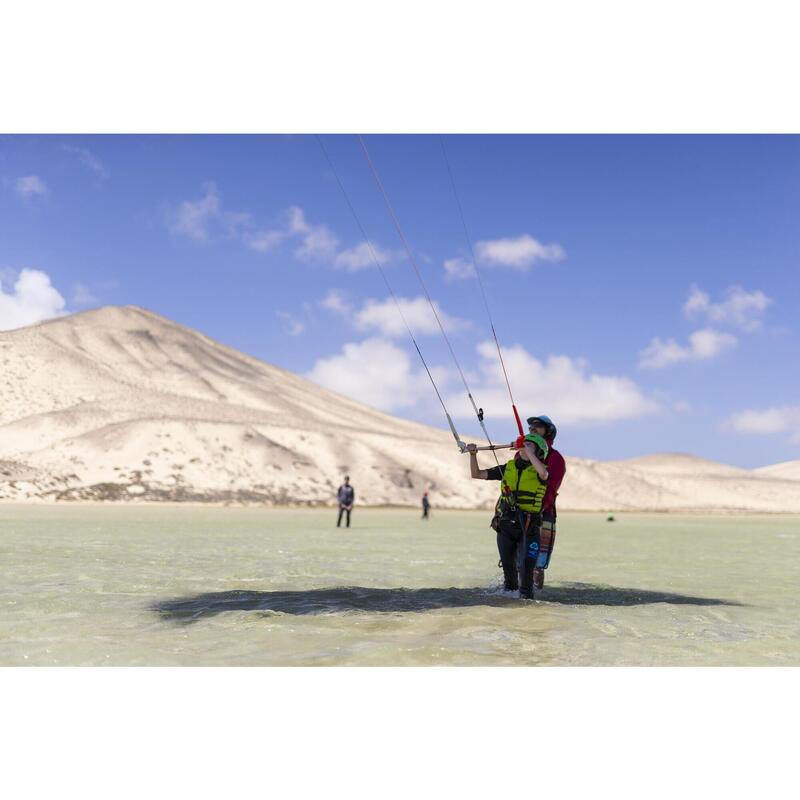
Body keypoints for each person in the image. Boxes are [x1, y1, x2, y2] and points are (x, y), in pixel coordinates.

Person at [467, 432, 549, 599]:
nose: (526, 446)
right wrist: (473, 455)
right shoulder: (508, 468)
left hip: (529, 529)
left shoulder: (542, 472)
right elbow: (476, 474)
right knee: (509, 579)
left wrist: (529, 451)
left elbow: (543, 473)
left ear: (538, 452)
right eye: (524, 444)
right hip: (506, 527)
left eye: (530, 445)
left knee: (526, 580)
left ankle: (527, 612)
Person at [526, 415, 566, 590]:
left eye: (538, 426)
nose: (533, 428)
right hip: (519, 512)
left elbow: (550, 488)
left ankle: (535, 597)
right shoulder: (523, 455)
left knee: (537, 563)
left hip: (542, 513)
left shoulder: (556, 458)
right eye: (531, 426)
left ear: (548, 431)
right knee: (517, 560)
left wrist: (537, 510)